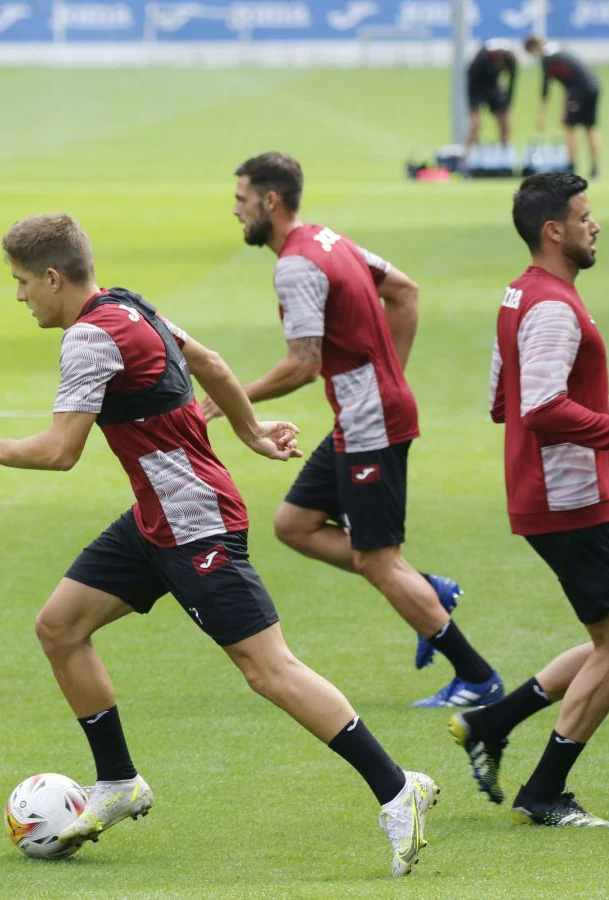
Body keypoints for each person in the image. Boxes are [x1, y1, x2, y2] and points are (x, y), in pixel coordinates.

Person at [0, 213, 438, 877]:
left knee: (269, 669)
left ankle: (397, 788)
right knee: (59, 627)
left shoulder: (90, 338)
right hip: (155, 519)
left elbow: (62, 451)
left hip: (195, 524)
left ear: (54, 278)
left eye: (23, 282)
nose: (20, 295)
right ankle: (118, 783)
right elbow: (212, 364)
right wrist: (252, 430)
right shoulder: (128, 305)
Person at [214, 151, 504, 708]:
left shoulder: (296, 265)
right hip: (367, 413)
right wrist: (389, 372)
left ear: (269, 201)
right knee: (293, 523)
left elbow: (304, 363)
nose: (236, 210)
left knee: (377, 559)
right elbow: (406, 291)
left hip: (371, 422)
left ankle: (477, 676)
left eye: (241, 199)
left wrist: (229, 401)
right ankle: (425, 587)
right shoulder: (327, 239)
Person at [449, 172, 609, 827]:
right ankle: (543, 792)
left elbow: (503, 399)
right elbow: (540, 406)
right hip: (569, 501)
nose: (594, 224)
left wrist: (594, 401)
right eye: (584, 215)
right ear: (555, 231)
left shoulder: (522, 296)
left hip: (558, 496)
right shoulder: (551, 306)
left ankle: (493, 721)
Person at [524, 36, 600, 179]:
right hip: (593, 86)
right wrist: (564, 109)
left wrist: (541, 116)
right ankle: (595, 169)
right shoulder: (558, 50)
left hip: (580, 90)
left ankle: (571, 167)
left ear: (533, 48)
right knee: (590, 128)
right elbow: (567, 84)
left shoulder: (547, 58)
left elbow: (545, 89)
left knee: (569, 127)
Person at [466, 40, 518, 154]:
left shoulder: (512, 61)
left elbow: (511, 88)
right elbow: (471, 81)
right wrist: (475, 106)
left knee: (504, 119)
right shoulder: (482, 59)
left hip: (493, 85)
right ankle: (469, 155)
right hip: (476, 84)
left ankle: (505, 151)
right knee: (476, 124)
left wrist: (506, 106)